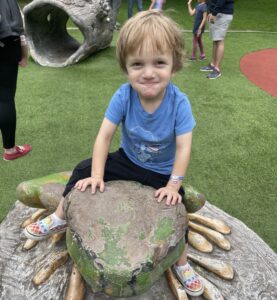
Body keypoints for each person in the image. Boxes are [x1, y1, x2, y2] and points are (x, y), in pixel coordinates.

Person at [24, 11, 204, 297]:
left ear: (174, 64)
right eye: (137, 64)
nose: (148, 72)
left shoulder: (179, 103)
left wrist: (173, 185)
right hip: (127, 161)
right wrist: (97, 174)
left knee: (178, 212)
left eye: (159, 63)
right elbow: (104, 136)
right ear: (126, 66)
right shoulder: (123, 95)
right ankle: (60, 214)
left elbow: (184, 146)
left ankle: (181, 262)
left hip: (161, 172)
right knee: (82, 170)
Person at [0, 0, 32, 161]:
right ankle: (10, 150)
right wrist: (24, 56)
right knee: (5, 98)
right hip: (6, 46)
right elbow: (20, 31)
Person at [200, 0, 234, 79]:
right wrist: (210, 12)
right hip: (215, 13)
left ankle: (217, 69)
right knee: (215, 40)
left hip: (222, 13)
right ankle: (213, 65)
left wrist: (214, 13)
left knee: (219, 40)